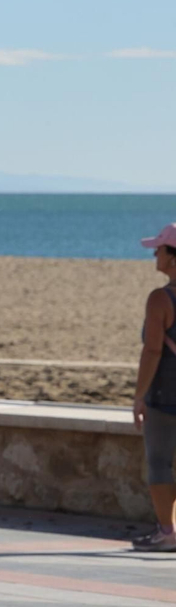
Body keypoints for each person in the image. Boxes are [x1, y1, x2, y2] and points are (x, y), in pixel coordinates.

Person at [132, 222, 176, 551]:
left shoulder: (160, 299)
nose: (154, 256)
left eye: (158, 250)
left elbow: (152, 351)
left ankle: (167, 532)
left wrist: (139, 397)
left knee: (160, 461)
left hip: (166, 394)